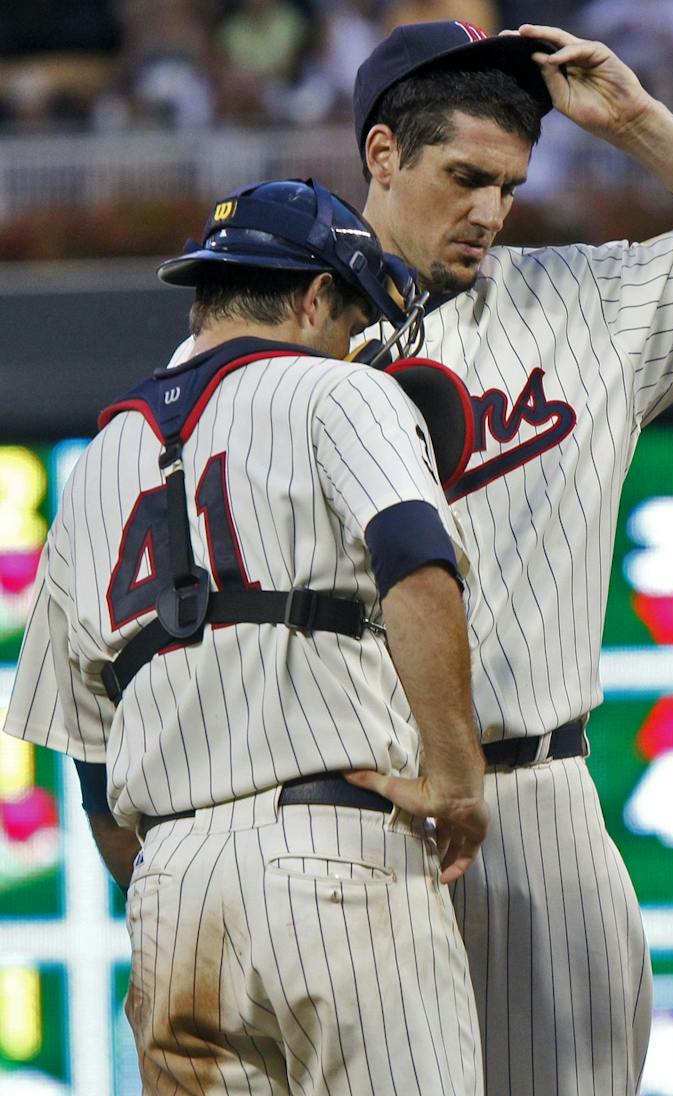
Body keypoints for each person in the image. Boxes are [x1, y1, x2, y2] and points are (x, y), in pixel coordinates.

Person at [350, 19, 673, 1094]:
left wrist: (633, 121)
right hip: (356, 801)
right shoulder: (285, 325)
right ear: (381, 154)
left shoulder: (580, 300)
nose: (488, 211)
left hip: (538, 798)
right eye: (464, 176)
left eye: (510, 186)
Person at [3, 178, 489, 1094]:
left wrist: (176, 880)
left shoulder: (97, 461)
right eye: (349, 315)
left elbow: (91, 767)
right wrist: (458, 782)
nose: (353, 338)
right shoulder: (339, 391)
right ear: (313, 297)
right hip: (334, 853)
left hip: (171, 890)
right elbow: (418, 566)